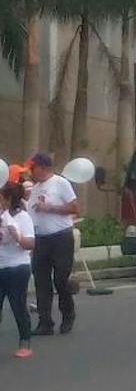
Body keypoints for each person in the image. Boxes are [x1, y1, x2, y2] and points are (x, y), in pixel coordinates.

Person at [26, 153, 79, 335]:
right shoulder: (35, 188)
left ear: (44, 167)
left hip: (60, 237)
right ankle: (45, 322)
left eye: (34, 168)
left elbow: (74, 207)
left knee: (60, 279)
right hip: (41, 239)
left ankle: (68, 314)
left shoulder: (60, 183)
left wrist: (51, 208)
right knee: (41, 280)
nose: (32, 172)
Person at [0, 183, 36, 358]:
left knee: (17, 304)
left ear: (7, 198)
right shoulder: (1, 216)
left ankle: (25, 341)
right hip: (0, 266)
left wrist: (17, 236)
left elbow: (30, 244)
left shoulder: (23, 218)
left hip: (18, 267)